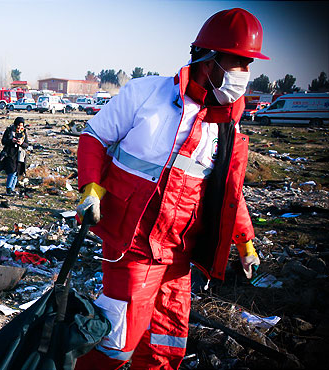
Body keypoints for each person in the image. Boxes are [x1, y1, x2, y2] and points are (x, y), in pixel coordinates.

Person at [73, 9, 266, 369]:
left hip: (179, 255)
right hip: (131, 243)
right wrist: (90, 188)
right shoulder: (147, 94)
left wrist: (245, 240)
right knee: (115, 344)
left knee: (165, 345)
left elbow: (228, 193)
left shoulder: (226, 124)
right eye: (236, 62)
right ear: (208, 60)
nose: (244, 74)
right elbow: (93, 137)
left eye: (248, 64)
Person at [0, 117, 28, 195]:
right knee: (11, 171)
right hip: (10, 153)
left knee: (17, 172)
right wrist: (11, 141)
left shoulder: (23, 132)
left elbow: (27, 144)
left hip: (20, 155)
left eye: (21, 126)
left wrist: (21, 143)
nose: (19, 127)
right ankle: (8, 188)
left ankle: (12, 188)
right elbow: (3, 141)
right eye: (18, 125)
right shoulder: (9, 130)